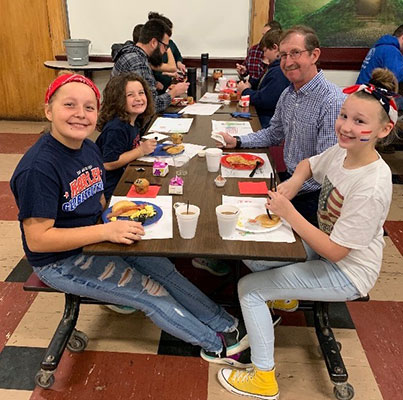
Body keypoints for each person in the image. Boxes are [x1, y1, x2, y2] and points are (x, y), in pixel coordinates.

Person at [9, 73, 252, 367]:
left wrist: (113, 218)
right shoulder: (39, 168)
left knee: (163, 267)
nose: (80, 115)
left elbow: (98, 197)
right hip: (60, 260)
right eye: (69, 105)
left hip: (98, 235)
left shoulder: (87, 148)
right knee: (149, 292)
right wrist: (105, 230)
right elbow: (39, 239)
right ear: (49, 110)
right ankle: (215, 345)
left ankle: (223, 322)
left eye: (89, 107)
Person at [217, 67, 398, 399]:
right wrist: (293, 184)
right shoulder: (344, 152)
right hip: (326, 245)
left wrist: (289, 214)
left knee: (249, 289)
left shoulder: (371, 184)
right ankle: (287, 292)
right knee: (251, 250)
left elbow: (337, 252)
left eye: (360, 122)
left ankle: (263, 377)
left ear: (384, 130)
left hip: (347, 270)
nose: (345, 126)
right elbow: (307, 165)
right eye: (344, 115)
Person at [194, 26, 346, 276]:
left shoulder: (331, 101)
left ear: (314, 55)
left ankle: (278, 280)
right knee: (226, 198)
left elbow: (325, 170)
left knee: (251, 237)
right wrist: (237, 141)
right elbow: (273, 133)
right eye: (284, 55)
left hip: (314, 197)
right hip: (289, 182)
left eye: (295, 53)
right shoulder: (290, 93)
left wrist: (285, 190)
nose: (287, 61)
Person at [95, 73, 156, 201]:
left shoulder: (134, 121)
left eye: (141, 93)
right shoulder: (116, 128)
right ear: (118, 100)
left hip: (125, 176)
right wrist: (140, 150)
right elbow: (108, 163)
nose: (138, 98)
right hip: (112, 188)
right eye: (130, 95)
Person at [112, 19, 189, 113]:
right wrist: (174, 92)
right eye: (165, 47)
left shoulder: (134, 55)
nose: (165, 51)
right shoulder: (137, 62)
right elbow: (151, 106)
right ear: (154, 43)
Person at [237, 28, 290, 128]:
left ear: (275, 48)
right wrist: (251, 83)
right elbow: (261, 81)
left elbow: (265, 100)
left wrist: (245, 91)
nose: (264, 55)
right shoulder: (273, 67)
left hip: (267, 122)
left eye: (265, 51)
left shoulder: (279, 71)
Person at [148, 12, 187, 93]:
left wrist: (179, 63)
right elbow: (152, 68)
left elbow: (177, 56)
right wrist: (167, 73)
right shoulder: (151, 50)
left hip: (167, 86)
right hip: (157, 88)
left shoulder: (170, 43)